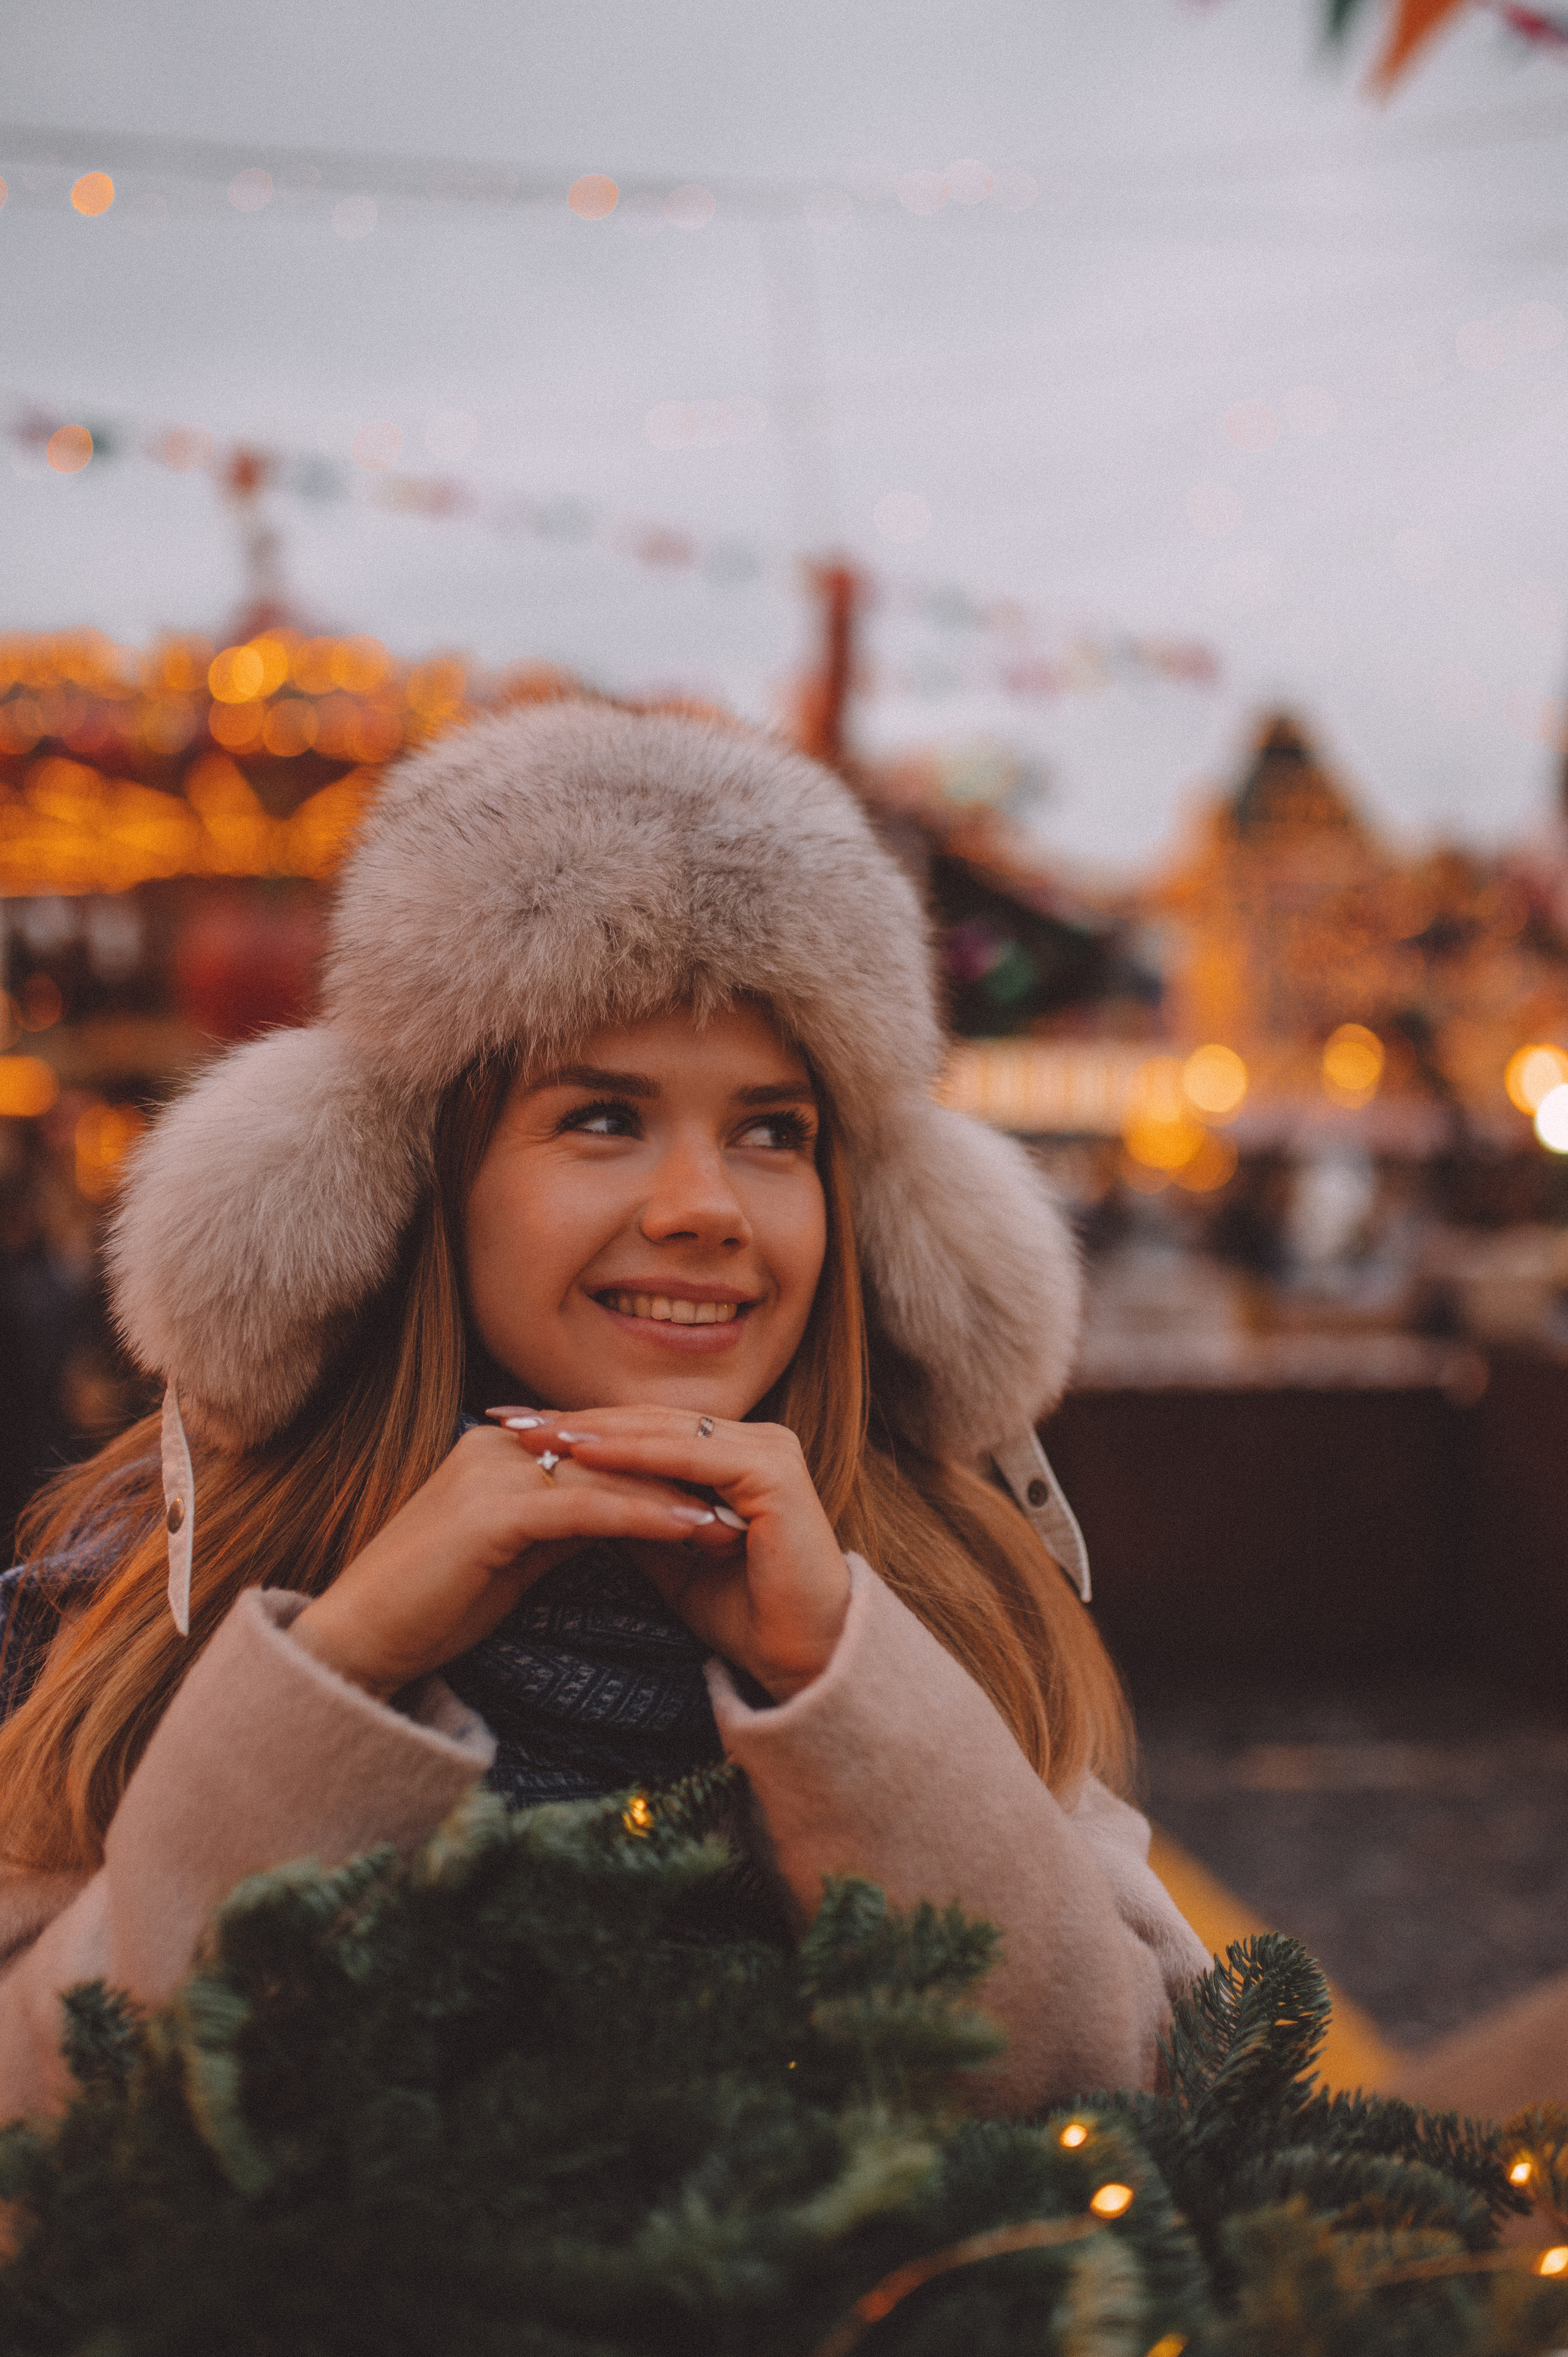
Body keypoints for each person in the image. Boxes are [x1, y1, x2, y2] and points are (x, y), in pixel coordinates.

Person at [0, 697, 1206, 2127]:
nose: (705, 1208)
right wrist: (340, 1667)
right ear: (417, 1183)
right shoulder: (148, 1604)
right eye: (602, 1117)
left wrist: (842, 1683)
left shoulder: (943, 1598)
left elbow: (1131, 2095)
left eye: (772, 1131)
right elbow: (47, 2126)